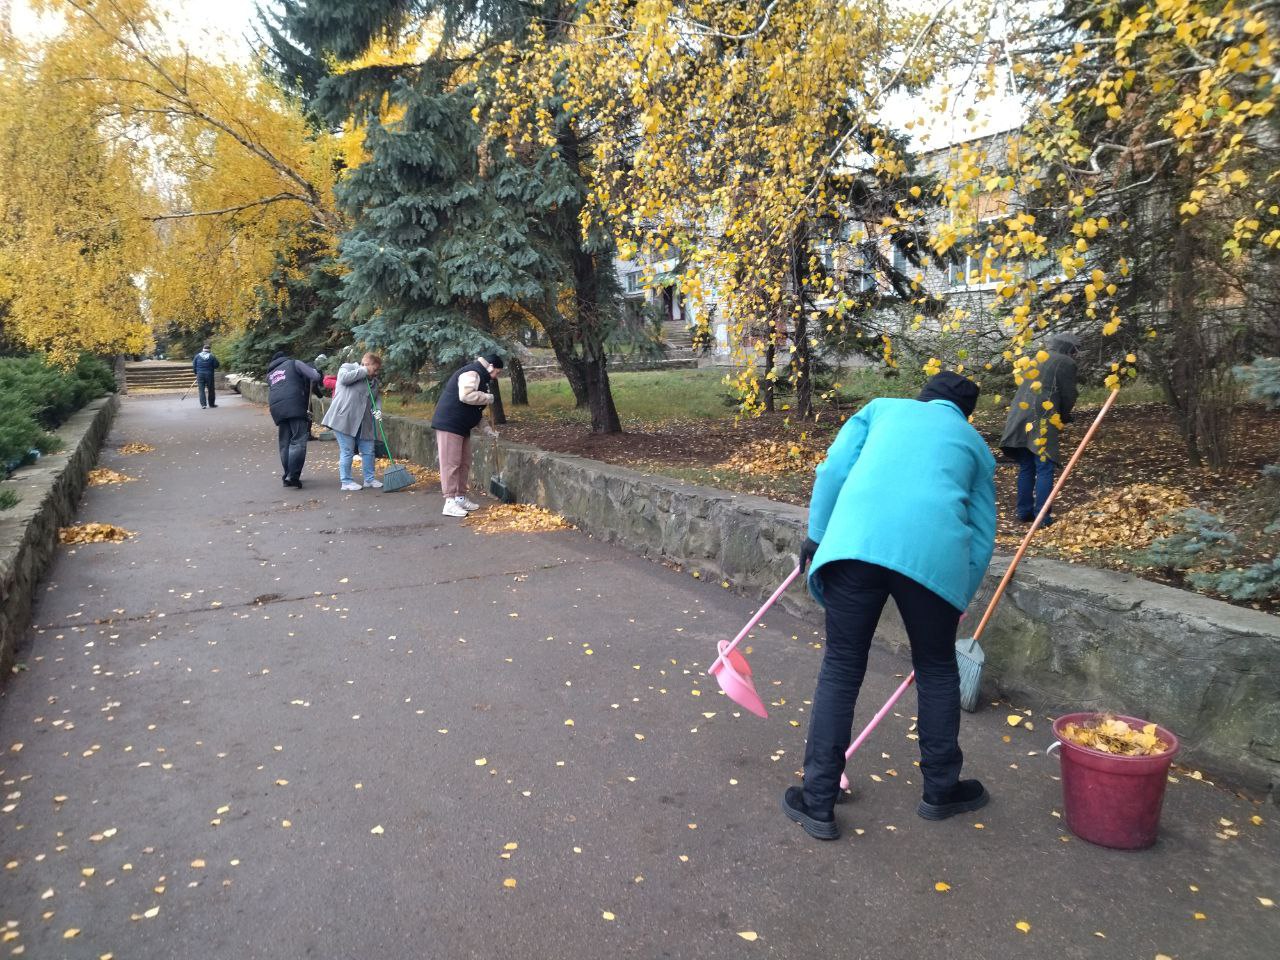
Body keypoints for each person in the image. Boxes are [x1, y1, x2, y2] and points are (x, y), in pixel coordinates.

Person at [782, 371, 997, 841]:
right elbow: (982, 536)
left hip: (855, 546)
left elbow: (833, 470)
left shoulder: (881, 409)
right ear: (966, 414)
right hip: (934, 562)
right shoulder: (976, 447)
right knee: (938, 669)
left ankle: (818, 801)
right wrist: (958, 594)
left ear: (923, 397)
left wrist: (816, 534)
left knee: (841, 665)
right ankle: (940, 789)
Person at [998, 333, 1080, 525]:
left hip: (1019, 416)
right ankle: (1042, 517)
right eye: (1075, 349)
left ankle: (1024, 512)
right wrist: (1064, 416)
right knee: (1044, 466)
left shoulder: (1036, 358)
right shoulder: (1065, 362)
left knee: (1027, 465)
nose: (1076, 354)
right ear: (1068, 348)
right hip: (1041, 418)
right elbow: (1069, 394)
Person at [431, 353, 502, 518]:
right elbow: (466, 396)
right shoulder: (472, 373)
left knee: (464, 463)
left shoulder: (481, 379)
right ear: (490, 366)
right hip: (450, 424)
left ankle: (460, 497)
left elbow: (476, 412)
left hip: (462, 426)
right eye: (496, 372)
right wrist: (487, 397)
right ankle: (449, 502)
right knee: (451, 464)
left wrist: (488, 431)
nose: (496, 377)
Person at [321, 352, 384, 492]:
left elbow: (376, 398)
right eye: (375, 369)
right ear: (367, 364)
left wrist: (378, 410)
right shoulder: (348, 368)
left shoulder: (373, 382)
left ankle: (369, 479)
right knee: (348, 451)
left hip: (364, 421)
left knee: (369, 450)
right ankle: (346, 482)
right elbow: (343, 379)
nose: (376, 373)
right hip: (344, 419)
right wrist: (363, 370)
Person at [267, 351, 324, 488]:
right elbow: (314, 376)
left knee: (284, 443)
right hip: (295, 404)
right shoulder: (294, 363)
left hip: (276, 408)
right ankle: (293, 475)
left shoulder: (269, 375)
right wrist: (318, 372)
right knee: (298, 440)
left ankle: (287, 475)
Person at [193, 343, 220, 409]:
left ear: (203, 349)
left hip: (200, 374)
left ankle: (203, 405)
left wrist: (196, 373)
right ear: (209, 350)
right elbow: (216, 365)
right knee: (211, 389)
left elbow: (194, 366)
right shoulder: (212, 356)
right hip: (209, 374)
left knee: (201, 390)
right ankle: (211, 404)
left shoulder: (197, 356)